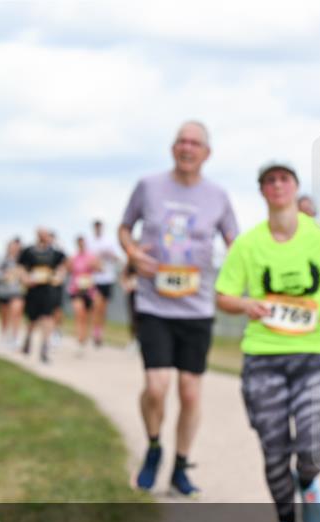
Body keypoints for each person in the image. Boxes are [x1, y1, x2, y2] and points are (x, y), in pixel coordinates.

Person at [215, 161, 320, 522]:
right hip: (263, 358)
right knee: (274, 448)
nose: (277, 186)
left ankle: (309, 480)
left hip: (314, 355)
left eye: (284, 179)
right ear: (262, 191)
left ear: (295, 188)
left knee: (314, 443)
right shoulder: (247, 245)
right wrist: (246, 303)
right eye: (269, 181)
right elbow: (223, 296)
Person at [120, 121, 239, 496]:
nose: (187, 148)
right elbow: (125, 228)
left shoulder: (218, 195)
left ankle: (181, 466)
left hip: (197, 306)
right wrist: (134, 253)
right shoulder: (148, 186)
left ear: (207, 153)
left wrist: (232, 278)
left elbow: (235, 242)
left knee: (189, 392)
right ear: (173, 148)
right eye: (181, 142)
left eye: (195, 143)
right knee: (156, 387)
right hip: (154, 304)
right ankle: (154, 446)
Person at [19, 228, 67, 364]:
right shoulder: (29, 251)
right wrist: (26, 279)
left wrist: (58, 277)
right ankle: (28, 340)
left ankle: (44, 348)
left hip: (48, 290)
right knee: (32, 319)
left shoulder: (55, 253)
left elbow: (63, 267)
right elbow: (21, 268)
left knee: (47, 318)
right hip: (33, 290)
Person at [87, 219, 121, 347]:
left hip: (108, 279)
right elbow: (88, 261)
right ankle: (95, 333)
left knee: (103, 309)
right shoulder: (90, 243)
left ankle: (100, 332)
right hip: (95, 279)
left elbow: (117, 259)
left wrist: (109, 255)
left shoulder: (109, 242)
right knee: (96, 306)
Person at [68, 235, 101, 355]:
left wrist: (94, 265)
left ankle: (84, 339)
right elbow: (68, 270)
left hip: (89, 290)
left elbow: (100, 269)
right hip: (76, 290)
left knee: (86, 317)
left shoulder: (91, 257)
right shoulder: (73, 257)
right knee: (79, 313)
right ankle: (79, 339)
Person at [0, 238, 25, 347]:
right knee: (4, 316)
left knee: (16, 312)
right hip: (3, 292)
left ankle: (15, 337)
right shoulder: (2, 259)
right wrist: (4, 276)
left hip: (17, 291)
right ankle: (4, 335)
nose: (14, 249)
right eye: (12, 246)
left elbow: (26, 275)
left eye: (16, 247)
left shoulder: (22, 261)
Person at [120, 262, 139, 346]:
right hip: (133, 293)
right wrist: (126, 286)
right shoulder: (131, 262)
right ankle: (134, 340)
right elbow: (123, 276)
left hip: (146, 295)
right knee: (133, 316)